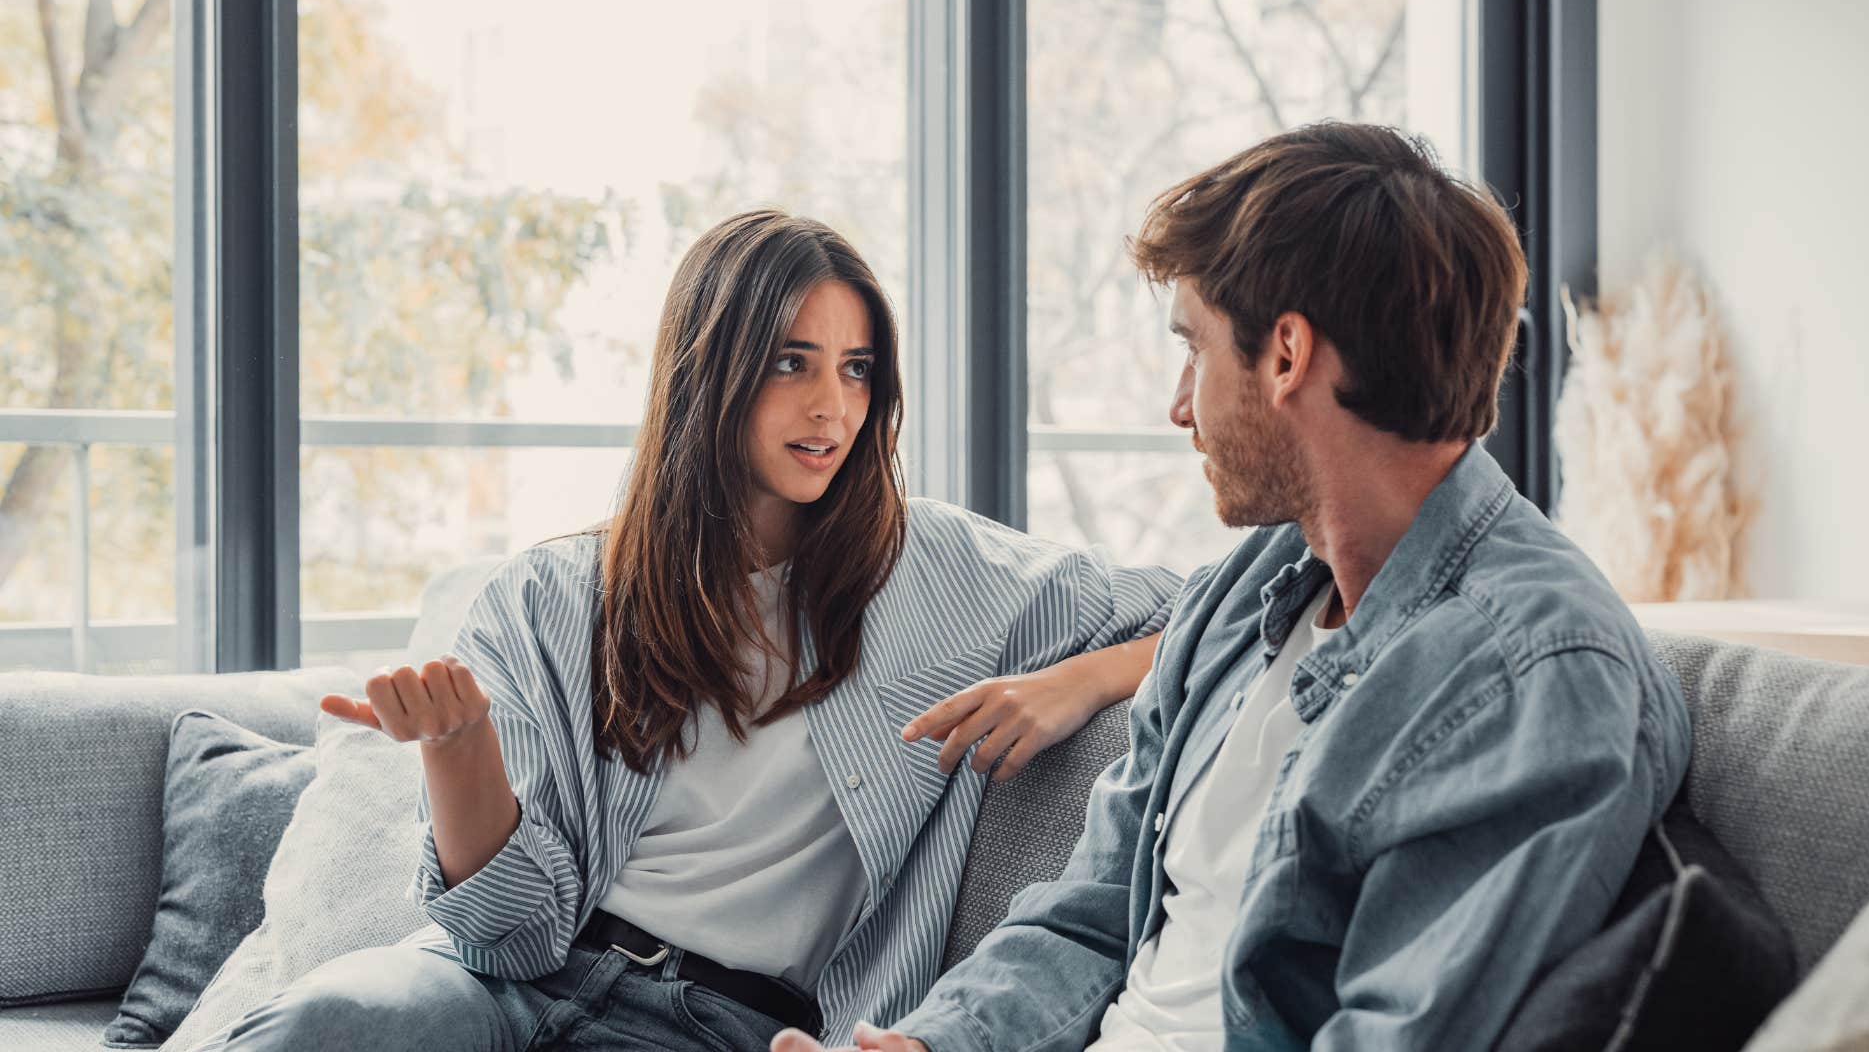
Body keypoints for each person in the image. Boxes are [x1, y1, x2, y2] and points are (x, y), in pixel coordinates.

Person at [773, 122, 1693, 1052]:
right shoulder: (1242, 596)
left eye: (1195, 350)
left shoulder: (1537, 673)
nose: (1179, 405)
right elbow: (1092, 914)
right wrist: (935, 1044)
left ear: (1287, 356)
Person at [202, 211, 1182, 1051]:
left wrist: (1084, 680)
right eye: (791, 363)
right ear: (709, 368)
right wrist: (461, 750)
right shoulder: (552, 594)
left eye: (856, 370)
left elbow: (1224, 605)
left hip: (728, 1023)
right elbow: (511, 940)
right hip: (505, 992)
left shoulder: (950, 572)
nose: (831, 407)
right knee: (324, 1021)